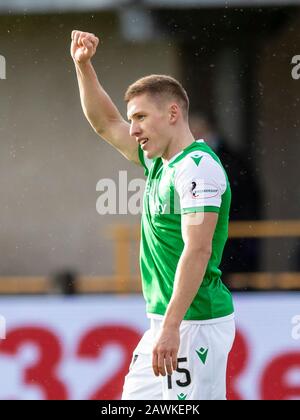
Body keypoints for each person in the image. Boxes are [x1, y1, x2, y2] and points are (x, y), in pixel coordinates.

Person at [71, 30, 235, 400]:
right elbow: (105, 123)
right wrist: (82, 65)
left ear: (173, 113)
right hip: (166, 323)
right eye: (133, 118)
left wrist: (173, 327)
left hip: (195, 324)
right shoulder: (160, 163)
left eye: (141, 117)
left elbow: (198, 250)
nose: (133, 129)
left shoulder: (197, 168)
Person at [190, 113, 261, 276]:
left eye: (197, 131)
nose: (193, 135)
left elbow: (244, 200)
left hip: (233, 238)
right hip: (214, 237)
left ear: (209, 130)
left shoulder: (230, 161)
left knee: (232, 284)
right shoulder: (196, 159)